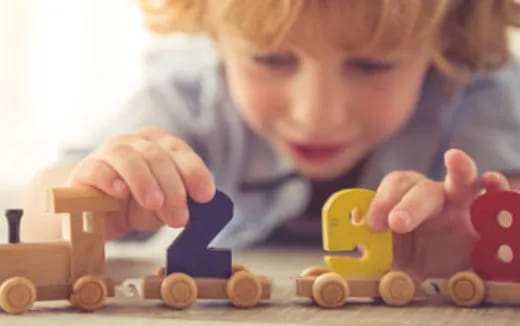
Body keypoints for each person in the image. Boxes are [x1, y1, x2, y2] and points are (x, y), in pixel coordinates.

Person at [21, 0, 520, 279]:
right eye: (269, 59)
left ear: (447, 47)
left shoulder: (480, 94)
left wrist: (477, 244)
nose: (315, 114)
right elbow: (40, 210)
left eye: (373, 65)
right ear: (215, 38)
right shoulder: (191, 95)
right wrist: (99, 189)